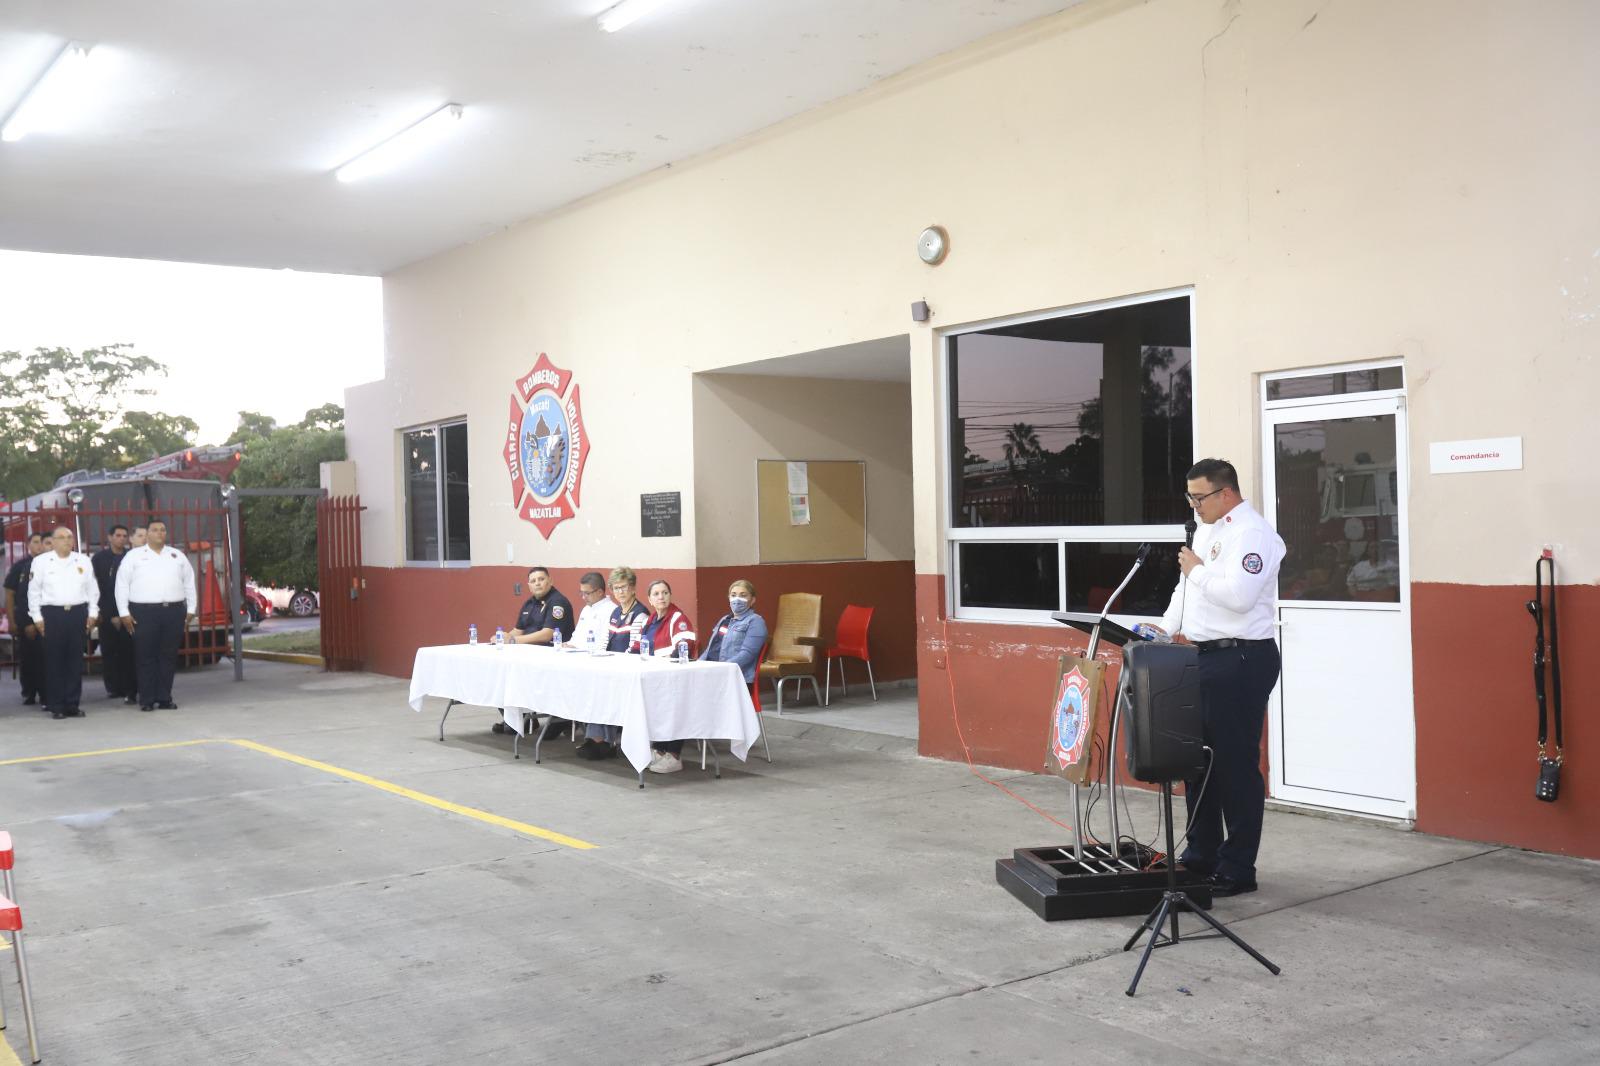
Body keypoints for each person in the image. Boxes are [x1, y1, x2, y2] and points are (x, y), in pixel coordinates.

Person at [1149, 458, 1285, 897]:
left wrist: (1196, 570)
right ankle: (1200, 855)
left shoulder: (1253, 534)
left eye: (1199, 497)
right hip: (1202, 658)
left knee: (1234, 765)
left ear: (1226, 493)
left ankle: (1237, 867)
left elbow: (1239, 598)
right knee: (1198, 762)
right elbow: (1186, 589)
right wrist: (1165, 628)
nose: (1193, 505)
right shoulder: (1205, 529)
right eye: (1189, 497)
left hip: (1242, 659)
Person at [115, 519, 197, 712]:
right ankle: (147, 699)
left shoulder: (177, 556)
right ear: (148, 534)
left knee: (167, 656)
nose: (159, 533)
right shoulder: (134, 556)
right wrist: (124, 612)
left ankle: (164, 697)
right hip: (144, 612)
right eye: (155, 530)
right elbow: (122, 585)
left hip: (173, 611)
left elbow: (189, 583)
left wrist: (191, 609)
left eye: (163, 530)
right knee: (146, 656)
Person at [490, 566, 576, 736]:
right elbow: (518, 630)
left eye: (541, 579)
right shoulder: (529, 603)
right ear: (528, 585)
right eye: (533, 581)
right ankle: (519, 718)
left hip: (551, 656)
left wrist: (513, 641)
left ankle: (561, 719)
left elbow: (547, 634)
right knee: (499, 671)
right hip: (527, 654)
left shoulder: (558, 602)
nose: (537, 583)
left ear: (550, 581)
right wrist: (502, 637)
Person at [577, 566, 650, 759]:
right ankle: (596, 739)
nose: (620, 592)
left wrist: (614, 665)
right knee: (595, 685)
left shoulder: (640, 614)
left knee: (604, 690)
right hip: (613, 667)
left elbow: (634, 648)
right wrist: (598, 657)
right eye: (616, 588)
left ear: (633, 588)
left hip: (629, 668)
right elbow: (605, 640)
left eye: (624, 587)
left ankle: (604, 741)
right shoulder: (616, 612)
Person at [28, 526, 99, 719]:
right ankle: (56, 705)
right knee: (55, 661)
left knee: (75, 661)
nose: (67, 541)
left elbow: (92, 589)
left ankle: (72, 704)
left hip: (77, 613)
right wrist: (37, 618)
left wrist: (93, 612)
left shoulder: (83, 560)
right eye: (62, 537)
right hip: (52, 614)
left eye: (70, 537)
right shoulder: (41, 562)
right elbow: (33, 592)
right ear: (53, 541)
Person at [641, 579, 697, 775]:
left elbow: (685, 644)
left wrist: (667, 663)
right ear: (649, 599)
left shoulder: (677, 618)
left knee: (671, 709)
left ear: (670, 596)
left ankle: (673, 755)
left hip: (675, 677)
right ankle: (659, 749)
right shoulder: (650, 620)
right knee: (654, 709)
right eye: (656, 594)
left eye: (665, 592)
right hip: (656, 676)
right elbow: (640, 647)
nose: (661, 597)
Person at [92, 524, 139, 704]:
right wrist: (103, 612)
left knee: (128, 652)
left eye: (124, 536)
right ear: (110, 537)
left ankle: (129, 687)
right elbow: (96, 588)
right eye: (118, 535)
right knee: (110, 652)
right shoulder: (99, 559)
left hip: (127, 612)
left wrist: (123, 613)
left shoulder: (130, 557)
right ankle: (113, 687)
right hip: (106, 611)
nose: (121, 539)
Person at [4, 532, 48, 706]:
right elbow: (11, 594)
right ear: (29, 545)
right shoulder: (20, 567)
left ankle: (46, 694)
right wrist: (13, 621)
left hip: (47, 622)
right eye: (35, 542)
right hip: (26, 621)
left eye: (41, 542)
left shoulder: (49, 565)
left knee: (45, 660)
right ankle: (28, 692)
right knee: (28, 660)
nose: (39, 546)